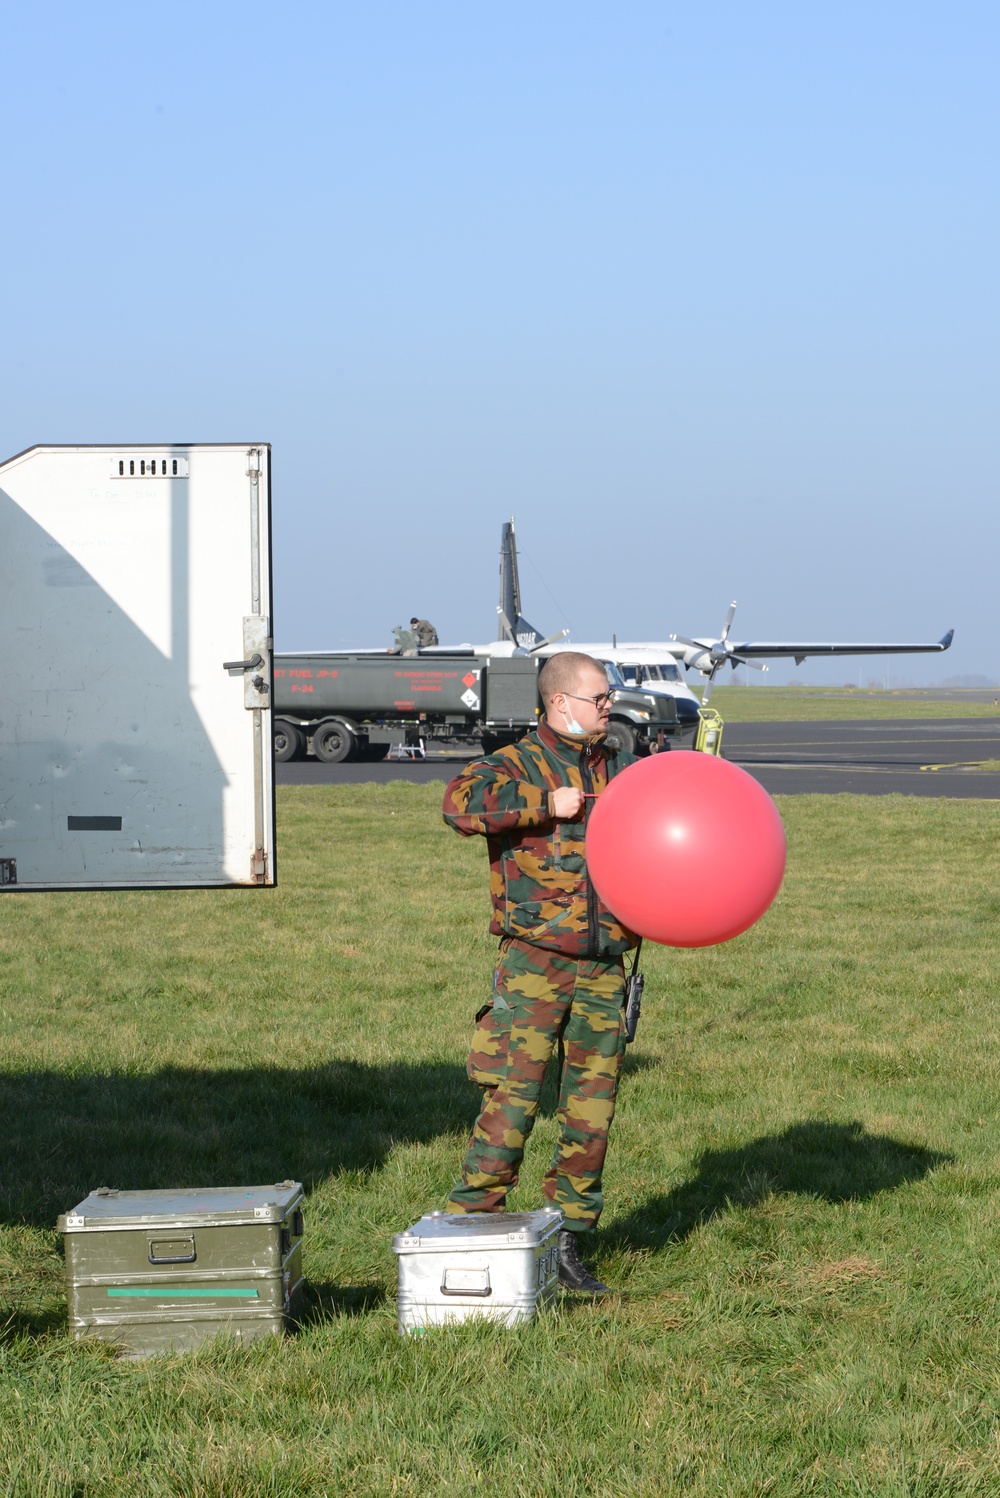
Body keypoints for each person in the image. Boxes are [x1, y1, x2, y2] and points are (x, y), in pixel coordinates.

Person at [441, 651, 638, 1296]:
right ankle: (472, 1224)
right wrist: (541, 803)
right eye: (599, 700)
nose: (608, 709)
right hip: (535, 962)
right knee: (513, 1094)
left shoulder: (621, 767)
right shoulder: (517, 763)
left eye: (609, 700)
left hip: (606, 962)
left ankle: (570, 1237)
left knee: (591, 1107)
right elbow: (459, 805)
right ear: (560, 703)